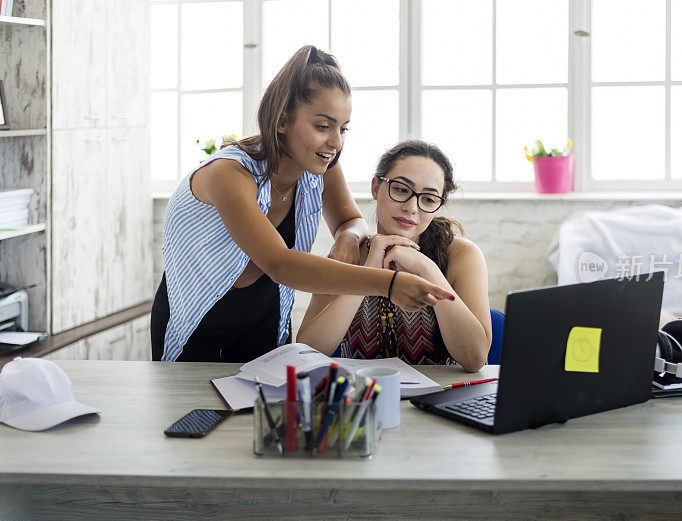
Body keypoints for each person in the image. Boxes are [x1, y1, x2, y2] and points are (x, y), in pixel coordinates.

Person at [151, 46, 454, 363]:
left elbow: (351, 219)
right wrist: (387, 284)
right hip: (199, 323)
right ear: (282, 121)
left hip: (265, 321)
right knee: (193, 411)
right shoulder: (228, 175)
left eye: (343, 128)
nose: (336, 143)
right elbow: (280, 264)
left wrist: (348, 237)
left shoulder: (321, 168)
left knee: (265, 412)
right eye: (323, 127)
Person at [296, 140, 491, 372]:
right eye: (400, 189)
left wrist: (427, 269)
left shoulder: (460, 254)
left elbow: (475, 358)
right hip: (365, 397)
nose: (411, 207)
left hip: (440, 396)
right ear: (376, 187)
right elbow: (306, 352)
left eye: (428, 199)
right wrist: (369, 272)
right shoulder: (348, 254)